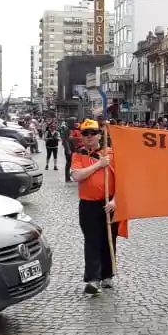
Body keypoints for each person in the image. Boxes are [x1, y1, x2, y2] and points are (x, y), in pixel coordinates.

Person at [70, 119, 120, 295]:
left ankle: (107, 274)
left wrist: (115, 201)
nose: (89, 137)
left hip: (109, 204)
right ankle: (92, 278)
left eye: (93, 133)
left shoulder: (112, 154)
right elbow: (77, 176)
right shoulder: (78, 155)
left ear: (100, 135)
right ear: (82, 137)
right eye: (86, 134)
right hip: (88, 204)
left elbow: (123, 181)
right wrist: (99, 164)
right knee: (92, 241)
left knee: (109, 239)